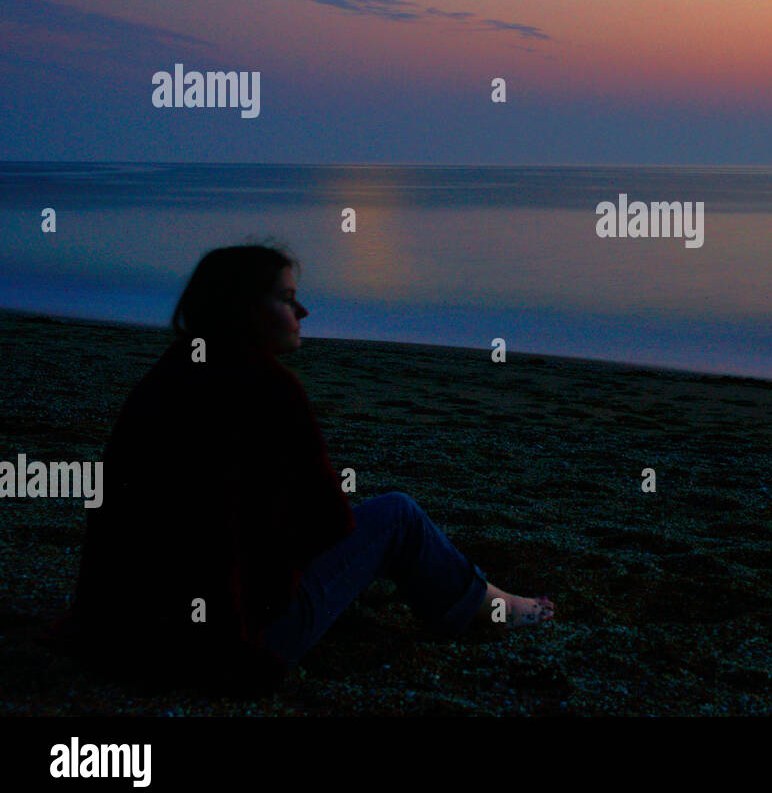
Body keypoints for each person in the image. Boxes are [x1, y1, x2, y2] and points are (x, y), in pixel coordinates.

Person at [48, 243, 553, 694]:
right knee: (396, 516)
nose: (303, 310)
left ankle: (481, 593)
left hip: (118, 637)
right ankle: (491, 605)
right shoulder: (270, 389)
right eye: (287, 297)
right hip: (225, 652)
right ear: (245, 307)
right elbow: (326, 528)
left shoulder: (170, 375)